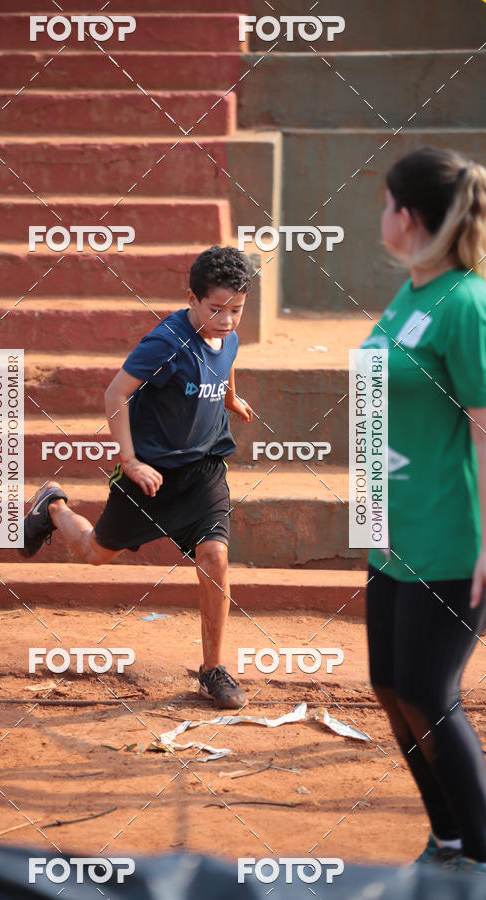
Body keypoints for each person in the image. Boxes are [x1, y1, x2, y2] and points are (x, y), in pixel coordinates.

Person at [19, 245, 254, 708]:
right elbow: (116, 393)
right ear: (191, 298)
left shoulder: (226, 333)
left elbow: (226, 358)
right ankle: (53, 504)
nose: (227, 320)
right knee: (93, 554)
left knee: (214, 557)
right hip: (149, 476)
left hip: (203, 469)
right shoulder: (166, 343)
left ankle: (212, 670)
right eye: (216, 309)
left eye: (237, 310)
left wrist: (229, 397)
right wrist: (129, 460)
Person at [360, 147, 486, 873]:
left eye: (384, 204)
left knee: (429, 692)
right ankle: (449, 839)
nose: (381, 217)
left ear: (406, 218)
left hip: (447, 532)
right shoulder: (411, 294)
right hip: (390, 529)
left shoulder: (466, 302)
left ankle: (481, 849)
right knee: (388, 685)